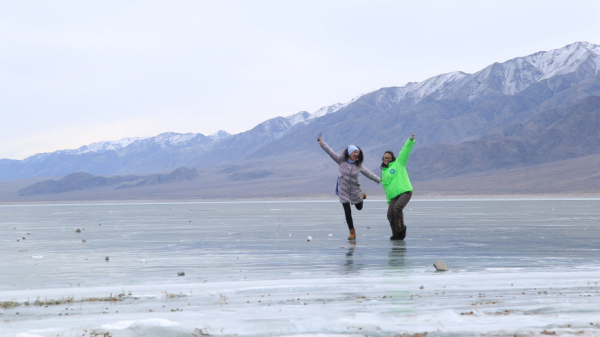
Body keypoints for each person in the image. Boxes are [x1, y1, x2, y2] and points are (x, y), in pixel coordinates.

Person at [318, 135, 381, 240]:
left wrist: (379, 180)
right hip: (343, 190)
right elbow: (330, 152)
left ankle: (361, 195)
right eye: (354, 153)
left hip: (355, 189)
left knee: (359, 207)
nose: (356, 154)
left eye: (357, 153)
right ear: (349, 153)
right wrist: (322, 144)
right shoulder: (341, 160)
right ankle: (352, 233)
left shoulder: (358, 165)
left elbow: (369, 174)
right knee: (347, 211)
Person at [381, 131, 415, 240]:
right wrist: (388, 200)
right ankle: (395, 234)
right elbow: (386, 187)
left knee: (396, 209)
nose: (386, 159)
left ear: (392, 159)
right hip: (393, 196)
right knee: (390, 214)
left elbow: (405, 151)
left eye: (388, 158)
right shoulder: (384, 172)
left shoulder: (399, 163)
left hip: (405, 191)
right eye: (384, 158)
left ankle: (401, 231)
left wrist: (410, 140)